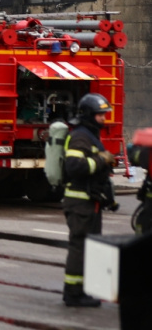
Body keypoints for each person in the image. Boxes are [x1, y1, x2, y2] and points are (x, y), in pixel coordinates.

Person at [62, 92, 117, 307]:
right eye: (100, 115)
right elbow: (74, 167)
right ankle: (73, 293)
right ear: (88, 115)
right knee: (80, 246)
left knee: (89, 247)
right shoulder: (81, 137)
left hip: (89, 201)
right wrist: (100, 160)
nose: (104, 118)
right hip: (80, 202)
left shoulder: (90, 135)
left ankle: (82, 290)